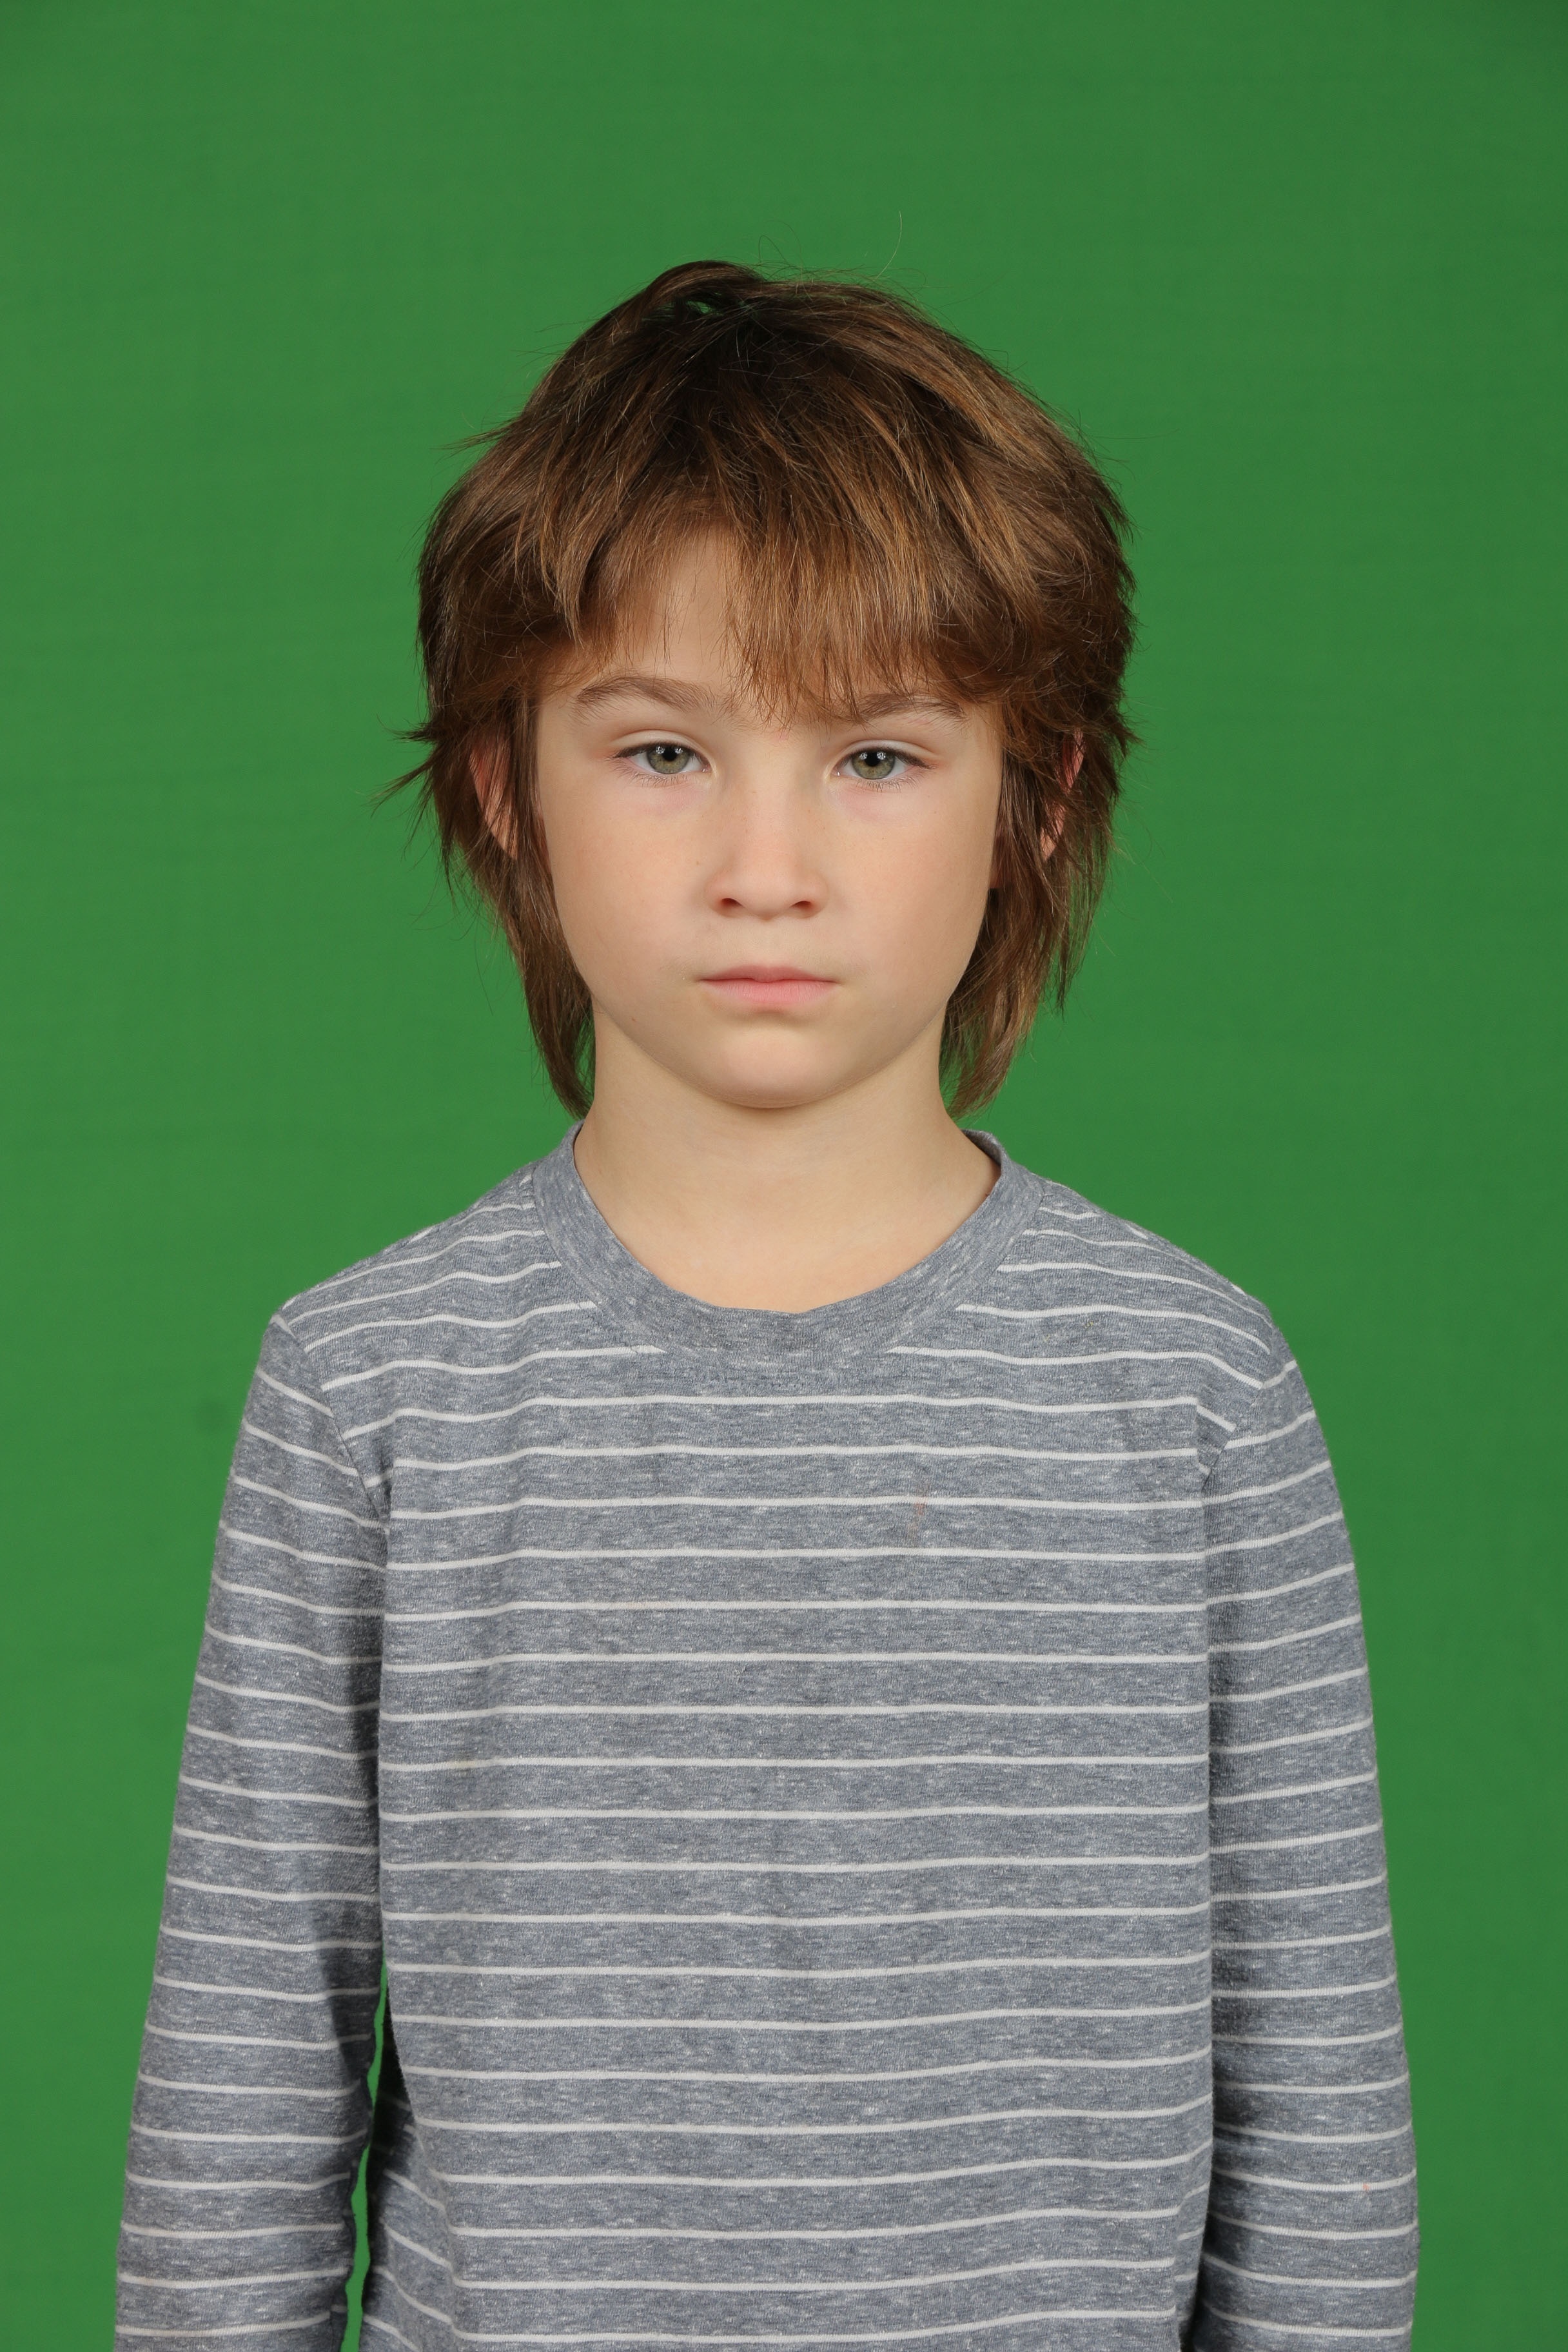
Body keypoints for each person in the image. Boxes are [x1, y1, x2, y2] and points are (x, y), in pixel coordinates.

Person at [116, 260, 1417, 2351]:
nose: (766, 866)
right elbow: (239, 2111)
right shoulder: (372, 1386)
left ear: (1037, 797)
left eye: (878, 754)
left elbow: (1318, 2109)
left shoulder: (1190, 1387)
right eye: (663, 749)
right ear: (504, 784)